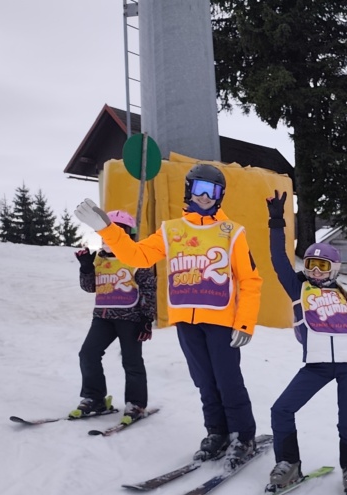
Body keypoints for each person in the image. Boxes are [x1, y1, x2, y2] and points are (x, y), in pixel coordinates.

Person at [74, 164, 263, 469]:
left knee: (228, 381)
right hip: (186, 322)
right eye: (199, 188)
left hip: (220, 321)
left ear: (220, 196)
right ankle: (216, 432)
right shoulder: (171, 230)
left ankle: (243, 436)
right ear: (189, 190)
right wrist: (106, 228)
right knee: (204, 381)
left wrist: (244, 322)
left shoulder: (232, 232)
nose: (204, 196)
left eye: (212, 191)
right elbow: (137, 256)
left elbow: (250, 280)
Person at [265, 191, 347, 495]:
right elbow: (278, 259)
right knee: (281, 410)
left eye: (322, 267)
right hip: (317, 365)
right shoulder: (298, 288)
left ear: (334, 269)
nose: (315, 272)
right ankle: (289, 463)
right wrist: (276, 222)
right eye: (311, 265)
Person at [72, 210, 157, 424]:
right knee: (87, 355)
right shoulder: (99, 257)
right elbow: (90, 287)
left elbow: (148, 289)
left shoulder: (138, 256)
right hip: (103, 316)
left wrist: (147, 319)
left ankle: (136, 404)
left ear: (129, 234)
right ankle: (95, 398)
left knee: (131, 361)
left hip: (130, 317)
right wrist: (86, 269)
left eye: (121, 230)